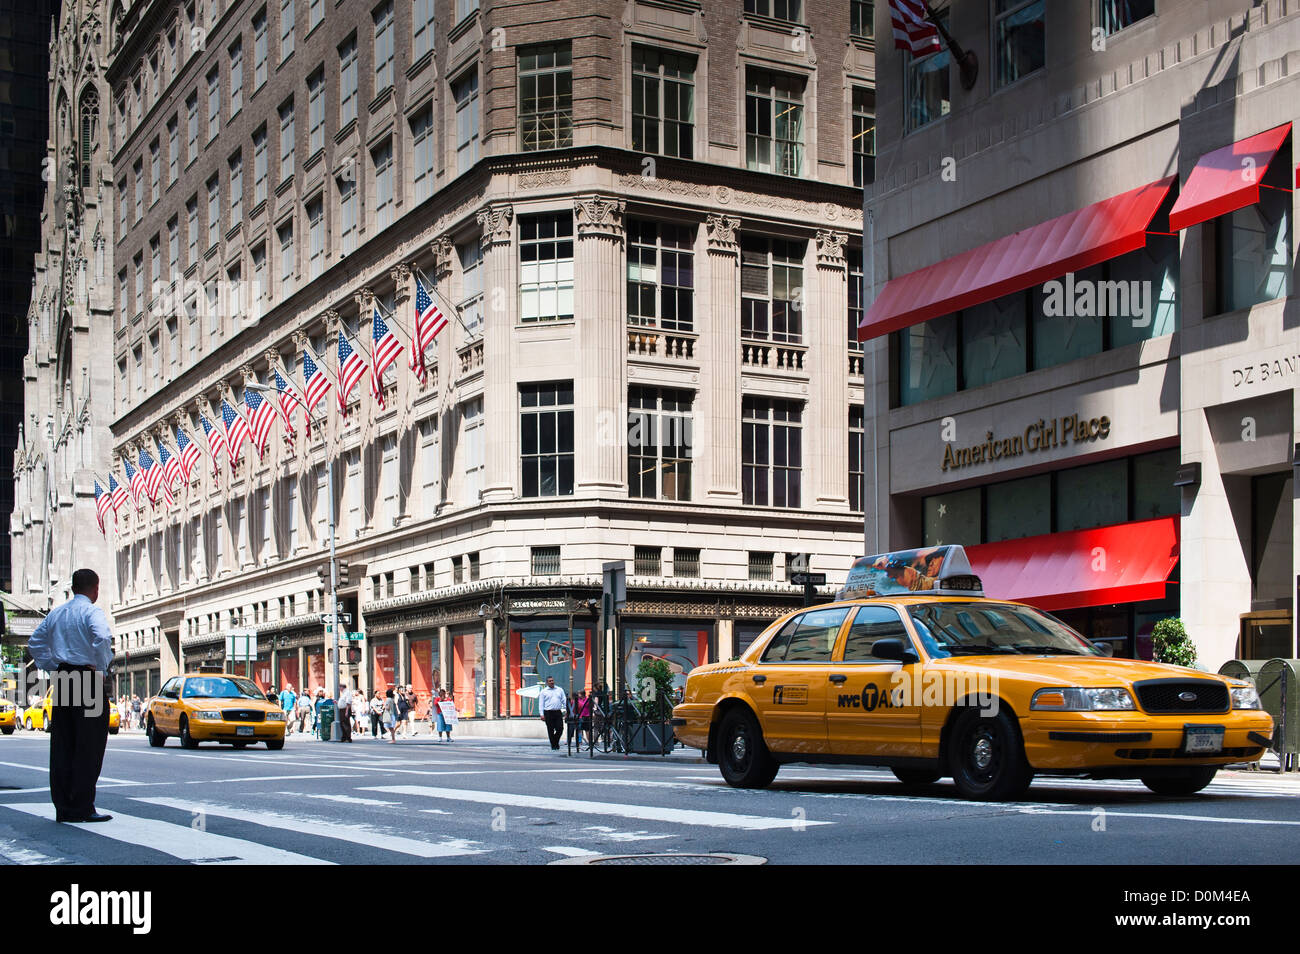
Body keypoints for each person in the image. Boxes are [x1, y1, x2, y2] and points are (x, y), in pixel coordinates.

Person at [27, 568, 114, 823]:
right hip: (87, 679)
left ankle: (64, 807)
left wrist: (53, 666)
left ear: (73, 588)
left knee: (64, 743)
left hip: (64, 679)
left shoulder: (57, 613)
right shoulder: (91, 611)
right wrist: (100, 669)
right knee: (90, 744)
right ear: (95, 589)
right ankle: (83, 806)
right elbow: (102, 637)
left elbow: (35, 643)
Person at [538, 676, 567, 751]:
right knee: (550, 730)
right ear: (547, 683)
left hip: (557, 712)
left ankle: (555, 742)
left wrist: (567, 710)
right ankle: (554, 745)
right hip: (548, 712)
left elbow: (564, 700)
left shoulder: (559, 690)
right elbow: (541, 703)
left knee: (560, 728)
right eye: (550, 681)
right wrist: (541, 714)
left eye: (552, 680)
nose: (552, 682)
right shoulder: (543, 692)